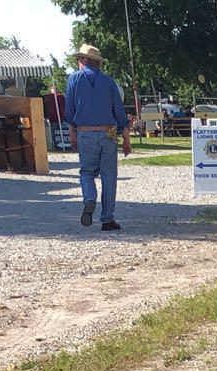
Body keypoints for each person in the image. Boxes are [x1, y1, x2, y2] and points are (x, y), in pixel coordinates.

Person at [64, 41, 130, 230]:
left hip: (85, 133)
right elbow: (119, 112)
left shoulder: (73, 80)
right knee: (109, 177)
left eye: (79, 58)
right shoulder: (109, 82)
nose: (78, 61)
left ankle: (89, 199)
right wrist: (126, 138)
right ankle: (107, 219)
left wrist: (72, 134)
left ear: (85, 60)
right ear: (97, 62)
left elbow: (69, 111)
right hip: (107, 133)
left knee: (86, 173)